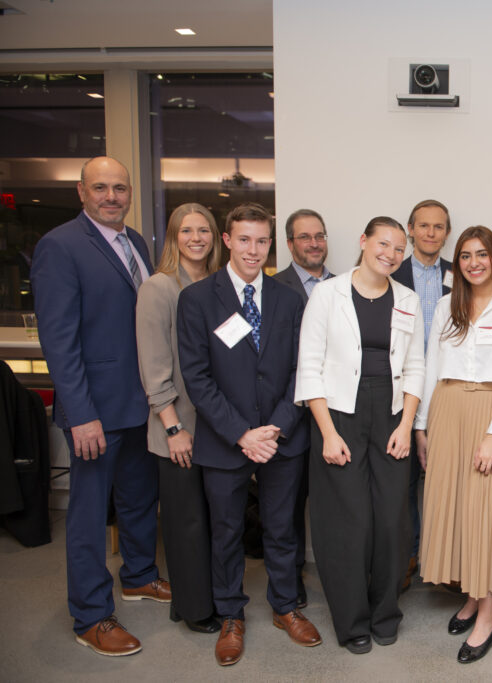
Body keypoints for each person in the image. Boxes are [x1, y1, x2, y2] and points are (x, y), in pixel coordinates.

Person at [31, 156, 169, 656]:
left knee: (138, 500)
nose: (112, 196)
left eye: (120, 188)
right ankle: (90, 615)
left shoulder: (135, 243)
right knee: (89, 516)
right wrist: (81, 412)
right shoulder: (60, 247)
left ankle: (138, 576)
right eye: (101, 188)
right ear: (81, 191)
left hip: (137, 404)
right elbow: (59, 341)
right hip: (93, 411)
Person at [177, 202, 322, 666]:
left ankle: (285, 606)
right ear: (227, 241)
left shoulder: (289, 298)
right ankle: (231, 616)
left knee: (283, 529)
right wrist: (243, 434)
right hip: (226, 441)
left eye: (262, 240)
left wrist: (274, 430)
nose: (253, 250)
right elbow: (197, 379)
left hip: (282, 437)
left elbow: (304, 369)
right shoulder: (198, 299)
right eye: (244, 239)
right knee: (227, 532)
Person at [295, 217, 425, 653]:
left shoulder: (407, 298)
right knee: (347, 524)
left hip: (391, 415)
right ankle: (352, 623)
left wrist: (406, 426)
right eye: (382, 243)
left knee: (392, 521)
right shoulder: (328, 294)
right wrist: (328, 434)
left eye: (398, 248)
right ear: (364, 242)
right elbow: (309, 366)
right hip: (339, 417)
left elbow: (416, 366)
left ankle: (385, 612)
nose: (390, 253)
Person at [414, 225, 492, 663]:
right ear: (457, 262)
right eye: (465, 255)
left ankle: (488, 614)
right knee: (458, 511)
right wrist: (423, 426)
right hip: (447, 410)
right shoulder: (448, 305)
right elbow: (431, 367)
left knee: (486, 514)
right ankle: (469, 594)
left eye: (482, 254)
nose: (473, 263)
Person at [136, 203, 223, 635]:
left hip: (216, 426)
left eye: (203, 230)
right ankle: (194, 610)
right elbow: (154, 366)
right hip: (180, 425)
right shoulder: (159, 287)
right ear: (173, 236)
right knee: (187, 522)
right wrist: (172, 428)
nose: (196, 238)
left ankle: (211, 597)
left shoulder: (218, 284)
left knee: (213, 520)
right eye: (186, 230)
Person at [274, 207, 333, 607]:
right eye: (304, 237)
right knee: (288, 507)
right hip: (291, 415)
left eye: (319, 236)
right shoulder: (273, 289)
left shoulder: (345, 286)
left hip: (336, 415)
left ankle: (335, 580)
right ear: (290, 243)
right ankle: (290, 586)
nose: (314, 244)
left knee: (331, 505)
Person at [394, 199, 453, 590]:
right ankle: (406, 557)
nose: (431, 233)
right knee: (403, 484)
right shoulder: (390, 270)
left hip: (449, 391)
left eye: (439, 227)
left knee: (446, 481)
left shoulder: (462, 271)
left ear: (447, 233)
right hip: (400, 391)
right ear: (410, 229)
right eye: (424, 226)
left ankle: (443, 560)